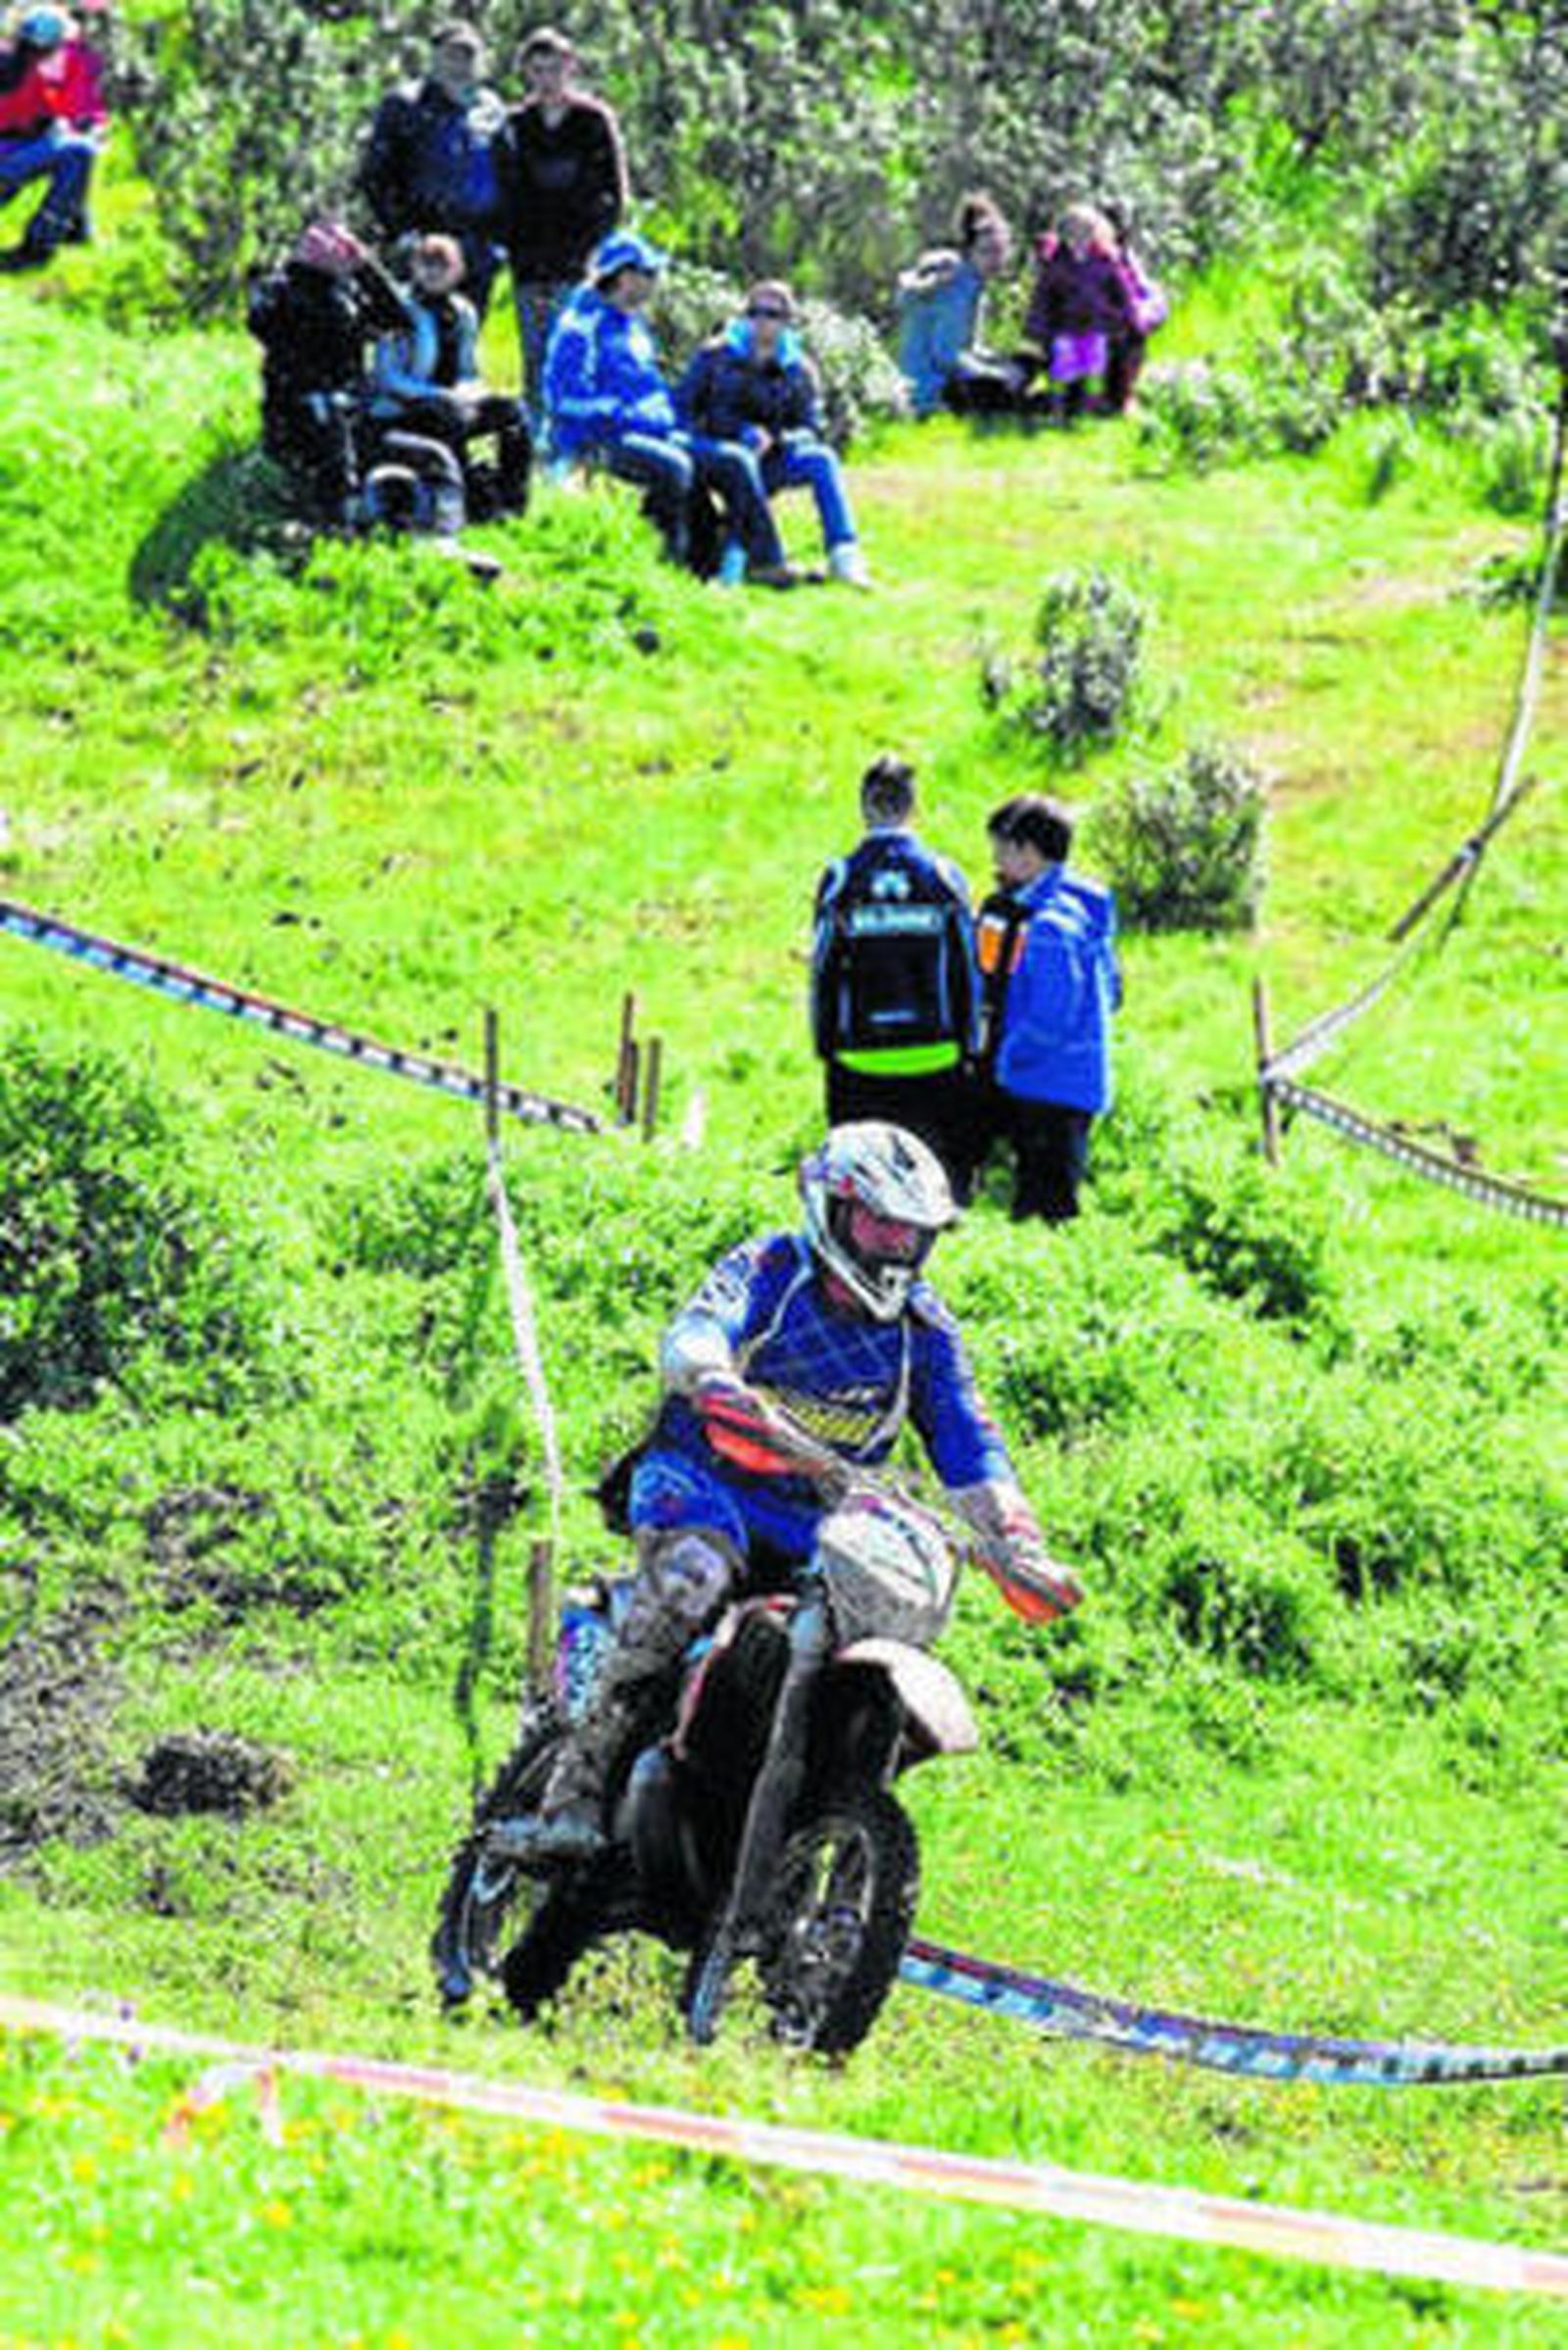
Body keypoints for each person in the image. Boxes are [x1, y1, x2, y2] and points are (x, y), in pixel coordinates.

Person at [508, 1120, 1084, 1864]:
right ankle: (572, 1796)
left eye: (912, 1232)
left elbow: (970, 1443)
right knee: (691, 1581)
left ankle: (802, 1830)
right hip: (704, 1482)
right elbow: (699, 1329)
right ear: (835, 1210)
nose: (895, 1246)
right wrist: (711, 1376)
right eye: (880, 1223)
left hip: (823, 1517)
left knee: (868, 1625)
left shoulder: (923, 1330)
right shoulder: (775, 1268)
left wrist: (1019, 1545)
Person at [542, 228, 798, 584]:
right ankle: (669, 567)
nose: (654, 282)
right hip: (599, 438)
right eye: (649, 274)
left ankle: (756, 563)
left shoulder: (635, 327)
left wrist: (668, 415)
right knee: (674, 466)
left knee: (734, 460)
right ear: (625, 275)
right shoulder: (580, 326)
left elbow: (652, 390)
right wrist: (625, 413)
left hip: (653, 429)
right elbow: (563, 401)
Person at [810, 757, 979, 1189]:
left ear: (864, 805)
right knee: (935, 1187)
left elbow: (822, 972)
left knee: (861, 1186)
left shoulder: (842, 878)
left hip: (859, 1057)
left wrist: (825, 1045)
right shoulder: (943, 875)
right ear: (912, 805)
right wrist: (970, 1043)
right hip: (936, 1052)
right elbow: (968, 966)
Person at [973, 794, 1121, 1222]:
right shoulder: (1081, 907)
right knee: (1048, 1196)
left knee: (1045, 1206)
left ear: (1028, 852)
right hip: (1072, 1079)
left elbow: (1052, 1016)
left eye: (1002, 849)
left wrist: (1011, 1054)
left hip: (1050, 1082)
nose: (996, 861)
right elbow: (1111, 991)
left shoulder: (1050, 925)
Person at [678, 279, 871, 588]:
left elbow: (810, 428)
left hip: (773, 459)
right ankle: (765, 560)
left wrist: (776, 440)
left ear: (787, 321)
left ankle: (844, 554)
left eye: (772, 314)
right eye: (754, 312)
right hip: (722, 459)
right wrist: (735, 433)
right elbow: (683, 409)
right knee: (739, 461)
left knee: (822, 459)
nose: (762, 321)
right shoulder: (713, 357)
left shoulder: (799, 369)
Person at [499, 25, 627, 424]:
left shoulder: (593, 120)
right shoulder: (515, 123)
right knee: (535, 354)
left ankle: (575, 439)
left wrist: (595, 249)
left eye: (554, 69)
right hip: (528, 259)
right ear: (527, 74)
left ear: (570, 68)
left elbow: (614, 192)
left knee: (572, 349)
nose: (547, 79)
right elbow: (503, 188)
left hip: (577, 258)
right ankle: (535, 438)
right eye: (537, 70)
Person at [247, 220, 416, 524]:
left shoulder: (350, 296)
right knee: (329, 415)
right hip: (297, 412)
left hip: (356, 406)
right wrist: (301, 266)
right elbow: (261, 323)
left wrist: (365, 266)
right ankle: (340, 520)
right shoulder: (281, 290)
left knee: (418, 439)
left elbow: (398, 318)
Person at [370, 231, 532, 521]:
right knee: (446, 417)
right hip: (403, 406)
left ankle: (511, 501)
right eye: (426, 263)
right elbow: (387, 376)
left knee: (512, 411)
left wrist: (474, 395)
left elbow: (468, 371)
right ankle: (458, 501)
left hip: (451, 399)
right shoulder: (397, 309)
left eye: (442, 264)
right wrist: (439, 396)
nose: (433, 271)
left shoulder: (463, 312)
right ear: (414, 267)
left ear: (457, 270)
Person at [359, 21, 510, 318]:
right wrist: (401, 232)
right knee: (416, 335)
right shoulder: (404, 104)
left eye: (468, 55)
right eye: (451, 54)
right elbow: (375, 175)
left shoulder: (492, 107)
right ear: (434, 57)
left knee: (465, 330)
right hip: (421, 240)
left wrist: (497, 240)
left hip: (476, 245)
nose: (459, 64)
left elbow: (508, 174)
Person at [895, 191, 1033, 419]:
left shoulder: (973, 284)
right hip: (933, 388)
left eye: (1000, 251)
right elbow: (948, 357)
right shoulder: (956, 284)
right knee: (1007, 385)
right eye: (986, 252)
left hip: (947, 377)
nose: (995, 260)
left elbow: (968, 347)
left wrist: (998, 361)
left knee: (1024, 361)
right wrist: (997, 373)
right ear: (969, 251)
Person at [0, 4, 105, 269]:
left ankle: (73, 227)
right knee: (79, 151)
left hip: (11, 160)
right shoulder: (13, 68)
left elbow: (42, 120)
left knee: (73, 148)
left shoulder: (27, 70)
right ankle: (39, 245)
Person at [1023, 204, 1139, 422]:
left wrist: (1129, 318)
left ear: (1095, 233)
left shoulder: (1106, 262)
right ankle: (1057, 408)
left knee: (1094, 369)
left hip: (1096, 327)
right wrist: (1035, 328)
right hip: (1065, 327)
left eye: (1084, 232)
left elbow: (1123, 293)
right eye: (1071, 232)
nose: (1078, 237)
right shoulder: (1056, 265)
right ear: (1063, 234)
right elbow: (1041, 298)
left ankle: (1089, 409)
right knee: (1062, 368)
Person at [1102, 203, 1167, 416]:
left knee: (1133, 334)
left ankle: (1123, 393)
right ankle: (1112, 396)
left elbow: (1143, 290)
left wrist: (1146, 313)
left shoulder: (1125, 257)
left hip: (1121, 323)